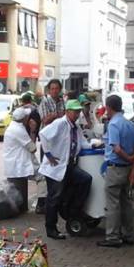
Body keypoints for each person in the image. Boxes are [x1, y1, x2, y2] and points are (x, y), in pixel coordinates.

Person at [38, 99, 93, 240]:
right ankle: (51, 228)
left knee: (85, 180)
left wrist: (95, 145)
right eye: (75, 112)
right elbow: (43, 134)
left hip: (68, 165)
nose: (77, 114)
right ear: (67, 111)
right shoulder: (60, 123)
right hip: (55, 167)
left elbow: (83, 143)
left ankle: (73, 211)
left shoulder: (76, 127)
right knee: (54, 197)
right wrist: (48, 154)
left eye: (78, 112)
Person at [97, 95, 134, 248]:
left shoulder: (114, 124)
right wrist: (133, 167)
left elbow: (116, 148)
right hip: (127, 170)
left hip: (115, 168)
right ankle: (129, 234)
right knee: (126, 202)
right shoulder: (130, 125)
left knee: (113, 204)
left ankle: (113, 236)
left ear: (109, 107)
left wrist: (127, 158)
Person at [3, 107, 38, 214]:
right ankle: (41, 205)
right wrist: (33, 131)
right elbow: (33, 148)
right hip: (18, 165)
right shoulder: (18, 130)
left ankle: (22, 209)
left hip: (15, 164)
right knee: (43, 178)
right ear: (25, 118)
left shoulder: (14, 127)